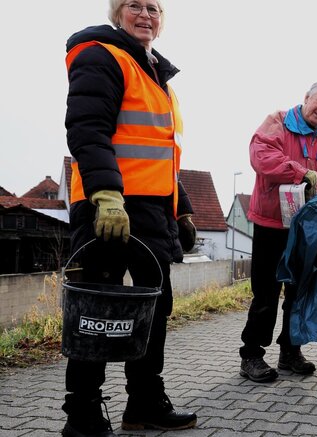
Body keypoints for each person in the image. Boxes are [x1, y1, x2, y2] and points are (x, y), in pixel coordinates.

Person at [63, 1, 198, 435]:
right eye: (134, 6)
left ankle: (143, 403)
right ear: (117, 13)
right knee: (96, 311)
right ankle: (82, 414)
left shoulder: (156, 74)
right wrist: (106, 195)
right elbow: (87, 128)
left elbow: (161, 153)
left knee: (154, 310)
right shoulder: (100, 55)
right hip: (110, 209)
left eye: (154, 8)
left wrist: (183, 209)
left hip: (152, 212)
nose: (146, 15)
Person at [239, 82, 317, 382]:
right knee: (266, 293)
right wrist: (298, 172)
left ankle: (290, 351)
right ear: (306, 98)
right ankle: (251, 355)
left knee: (298, 292)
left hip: (304, 229)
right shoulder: (279, 122)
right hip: (271, 223)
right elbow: (261, 156)